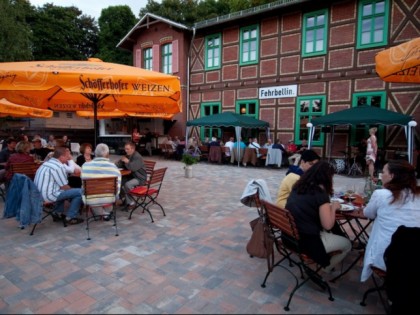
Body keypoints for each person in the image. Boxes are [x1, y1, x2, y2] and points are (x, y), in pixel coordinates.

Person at [285, 161, 352, 272]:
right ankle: (324, 269)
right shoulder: (320, 194)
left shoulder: (298, 187)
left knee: (333, 231)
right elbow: (328, 225)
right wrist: (334, 207)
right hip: (306, 241)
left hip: (289, 236)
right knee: (347, 245)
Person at [360, 160, 420, 282]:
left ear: (392, 176)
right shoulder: (417, 195)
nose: (381, 175)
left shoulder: (382, 194)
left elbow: (368, 214)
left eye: (383, 172)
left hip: (386, 256)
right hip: (415, 257)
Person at [34, 146, 84, 225]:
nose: (68, 159)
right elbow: (64, 186)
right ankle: (70, 217)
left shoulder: (46, 163)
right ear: (61, 157)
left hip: (38, 194)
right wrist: (73, 193)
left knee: (66, 192)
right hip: (47, 196)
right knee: (81, 192)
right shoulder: (58, 167)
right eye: (67, 157)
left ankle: (57, 213)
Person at [81, 143, 122, 219]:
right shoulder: (114, 168)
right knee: (108, 198)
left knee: (92, 198)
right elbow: (117, 189)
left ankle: (103, 214)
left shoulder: (85, 166)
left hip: (90, 199)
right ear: (107, 154)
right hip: (109, 198)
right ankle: (106, 214)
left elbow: (83, 187)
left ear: (95, 153)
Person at [115, 141, 147, 210]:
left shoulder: (137, 157)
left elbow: (132, 168)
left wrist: (127, 161)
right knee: (119, 182)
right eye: (125, 149)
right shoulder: (128, 155)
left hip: (140, 178)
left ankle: (132, 202)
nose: (125, 151)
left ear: (132, 149)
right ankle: (125, 199)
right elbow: (119, 164)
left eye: (127, 149)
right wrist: (115, 164)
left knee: (127, 185)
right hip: (132, 176)